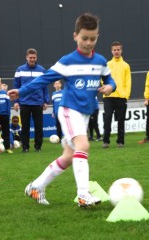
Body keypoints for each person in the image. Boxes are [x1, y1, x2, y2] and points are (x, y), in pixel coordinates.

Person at [8, 12, 116, 207]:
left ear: (97, 37)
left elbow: (109, 79)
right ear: (75, 36)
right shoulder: (67, 61)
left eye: (93, 38)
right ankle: (83, 195)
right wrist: (21, 91)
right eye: (84, 38)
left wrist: (110, 86)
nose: (89, 42)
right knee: (83, 146)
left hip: (84, 114)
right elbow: (44, 79)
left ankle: (36, 186)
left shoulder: (100, 61)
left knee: (68, 157)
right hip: (68, 110)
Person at [13, 48, 49, 152]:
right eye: (30, 58)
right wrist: (16, 102)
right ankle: (25, 147)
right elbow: (16, 86)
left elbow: (45, 86)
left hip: (38, 103)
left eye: (34, 57)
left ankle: (38, 147)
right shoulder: (20, 70)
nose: (32, 59)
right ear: (26, 57)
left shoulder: (42, 70)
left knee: (39, 127)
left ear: (36, 57)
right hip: (24, 102)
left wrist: (46, 101)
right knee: (25, 127)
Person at [103, 41, 131, 148]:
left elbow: (128, 81)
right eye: (114, 50)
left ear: (121, 50)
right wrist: (106, 89)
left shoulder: (126, 66)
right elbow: (103, 79)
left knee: (121, 120)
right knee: (107, 119)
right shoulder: (107, 64)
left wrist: (126, 95)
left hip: (121, 97)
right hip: (109, 97)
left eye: (118, 49)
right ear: (111, 51)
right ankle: (106, 141)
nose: (116, 51)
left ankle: (120, 141)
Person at [0, 76, 13, 153]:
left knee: (6, 132)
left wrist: (8, 114)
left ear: (1, 83)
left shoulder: (5, 93)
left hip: (5, 115)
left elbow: (8, 104)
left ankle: (7, 148)